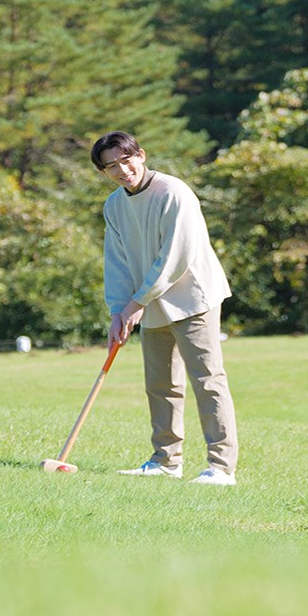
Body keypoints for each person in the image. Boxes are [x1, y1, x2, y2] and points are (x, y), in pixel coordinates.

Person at [92, 130, 240, 486]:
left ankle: (221, 468)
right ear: (103, 173)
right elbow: (118, 262)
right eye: (111, 166)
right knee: (160, 384)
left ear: (140, 155)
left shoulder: (174, 192)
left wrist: (136, 302)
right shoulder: (114, 206)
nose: (122, 170)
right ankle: (165, 461)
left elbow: (176, 257)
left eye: (126, 160)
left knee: (207, 380)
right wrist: (117, 309)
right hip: (148, 302)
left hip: (193, 298)